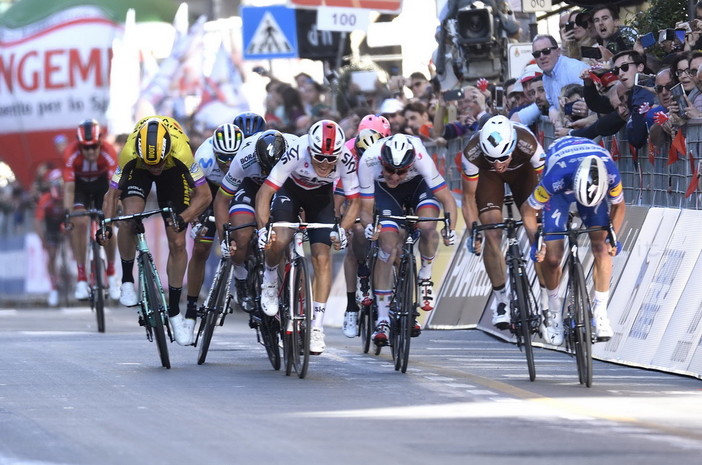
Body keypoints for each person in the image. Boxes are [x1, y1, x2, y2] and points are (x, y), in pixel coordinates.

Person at [98, 116, 212, 346]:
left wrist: (184, 218)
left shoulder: (181, 150)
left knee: (178, 243)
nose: (155, 169)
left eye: (158, 163)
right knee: (129, 219)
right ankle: (128, 280)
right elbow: (112, 195)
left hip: (174, 176)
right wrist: (107, 226)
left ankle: (173, 311)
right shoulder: (130, 151)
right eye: (152, 164)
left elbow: (205, 195)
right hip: (137, 172)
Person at [255, 120, 361, 355]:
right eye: (319, 157)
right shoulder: (296, 151)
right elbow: (265, 193)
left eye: (330, 158)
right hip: (289, 192)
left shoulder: (345, 158)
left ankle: (316, 329)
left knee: (322, 258)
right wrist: (264, 230)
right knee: (280, 238)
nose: (324, 164)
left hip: (321, 199)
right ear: (309, 150)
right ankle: (270, 278)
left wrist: (342, 229)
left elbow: (355, 201)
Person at [522, 136, 626, 345]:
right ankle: (553, 311)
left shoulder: (611, 173)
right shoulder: (554, 177)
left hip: (592, 190)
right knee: (552, 258)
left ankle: (601, 311)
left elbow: (619, 206)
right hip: (560, 189)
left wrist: (613, 236)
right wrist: (536, 241)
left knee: (602, 247)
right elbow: (528, 210)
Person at [358, 134, 457, 346]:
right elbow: (365, 209)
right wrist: (369, 227)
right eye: (389, 170)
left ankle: (425, 275)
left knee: (429, 227)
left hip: (418, 186)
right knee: (387, 246)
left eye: (401, 171)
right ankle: (383, 318)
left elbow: (447, 199)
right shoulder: (368, 160)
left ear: (410, 164)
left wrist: (451, 229)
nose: (394, 176)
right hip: (385, 194)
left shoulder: (421, 157)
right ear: (381, 163)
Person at [461, 115, 547, 328]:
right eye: (492, 159)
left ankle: (546, 302)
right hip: (488, 179)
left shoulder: (529, 144)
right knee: (492, 232)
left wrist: (544, 222)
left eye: (503, 158)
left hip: (523, 173)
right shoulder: (471, 153)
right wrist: (474, 230)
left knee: (536, 230)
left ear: (513, 146)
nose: (498, 164)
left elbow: (547, 186)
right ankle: (501, 301)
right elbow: (468, 199)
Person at [213, 128, 296, 310]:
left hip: (284, 187)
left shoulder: (296, 150)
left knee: (284, 235)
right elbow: (221, 200)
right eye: (265, 169)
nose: (268, 172)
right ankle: (241, 278)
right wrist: (224, 240)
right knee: (241, 235)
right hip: (251, 186)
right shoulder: (244, 158)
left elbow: (306, 193)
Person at [184, 123, 244, 322]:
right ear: (215, 151)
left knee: (244, 234)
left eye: (232, 157)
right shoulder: (204, 158)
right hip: (210, 191)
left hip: (237, 191)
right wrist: (194, 221)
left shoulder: (245, 156)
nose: (228, 163)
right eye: (224, 158)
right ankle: (192, 306)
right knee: (201, 249)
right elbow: (194, 195)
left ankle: (248, 279)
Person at [339, 115, 390, 338]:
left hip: (382, 188)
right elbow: (341, 195)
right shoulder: (348, 151)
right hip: (355, 189)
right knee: (356, 236)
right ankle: (351, 306)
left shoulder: (391, 149)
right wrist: (344, 223)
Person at [62, 119, 120, 301]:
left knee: (108, 225)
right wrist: (67, 214)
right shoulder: (70, 154)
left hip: (102, 186)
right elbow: (69, 189)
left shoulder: (109, 152)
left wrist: (116, 208)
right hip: (80, 189)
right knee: (80, 222)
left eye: (94, 147)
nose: (90, 151)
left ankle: (111, 274)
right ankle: (81, 278)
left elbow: (114, 188)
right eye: (85, 148)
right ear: (79, 146)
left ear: (100, 143)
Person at [531, 34, 589, 128]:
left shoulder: (574, 69)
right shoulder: (546, 77)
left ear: (558, 52)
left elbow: (592, 104)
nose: (541, 56)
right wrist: (552, 109)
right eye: (537, 54)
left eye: (546, 51)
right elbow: (553, 104)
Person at [35, 169, 66, 307]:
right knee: (52, 254)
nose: (58, 203)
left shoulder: (68, 195)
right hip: (51, 225)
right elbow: (37, 222)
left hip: (66, 221)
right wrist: (43, 240)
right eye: (56, 202)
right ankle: (53, 288)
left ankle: (76, 275)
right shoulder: (45, 199)